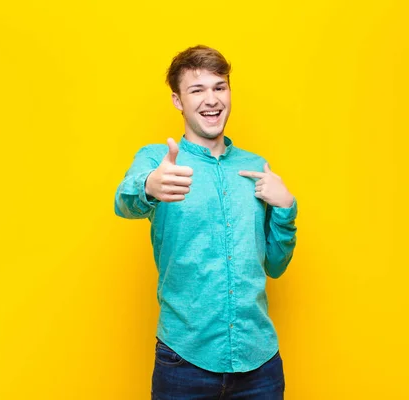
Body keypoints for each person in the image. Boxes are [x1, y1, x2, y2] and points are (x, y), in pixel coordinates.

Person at [114, 45, 298, 399]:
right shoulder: (158, 160)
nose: (211, 99)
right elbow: (124, 203)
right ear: (178, 100)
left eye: (219, 87)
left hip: (260, 364)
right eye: (197, 90)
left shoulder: (256, 166)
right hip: (183, 361)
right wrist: (149, 186)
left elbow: (275, 265)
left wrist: (286, 208)